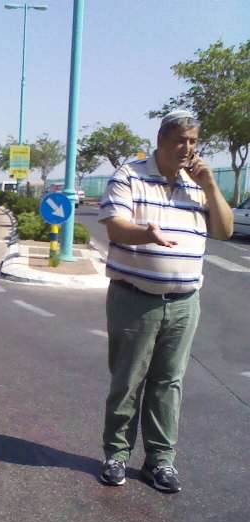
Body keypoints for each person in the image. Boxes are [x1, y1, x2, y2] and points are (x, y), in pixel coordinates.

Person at [98, 110, 233, 492]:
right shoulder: (129, 175)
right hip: (134, 298)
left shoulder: (197, 183)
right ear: (160, 140)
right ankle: (116, 455)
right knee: (128, 381)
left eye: (193, 141)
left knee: (168, 382)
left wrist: (211, 186)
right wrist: (147, 234)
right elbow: (116, 227)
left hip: (184, 302)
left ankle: (160, 461)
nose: (187, 148)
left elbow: (224, 230)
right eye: (180, 140)